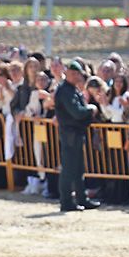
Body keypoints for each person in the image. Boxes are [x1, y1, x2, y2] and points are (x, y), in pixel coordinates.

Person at [54, 58, 105, 212]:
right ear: (70, 73)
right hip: (70, 133)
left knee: (78, 169)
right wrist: (90, 110)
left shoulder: (71, 89)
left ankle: (82, 198)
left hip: (75, 132)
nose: (79, 77)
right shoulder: (65, 91)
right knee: (69, 169)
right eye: (76, 74)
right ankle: (66, 201)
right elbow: (76, 112)